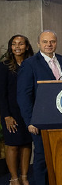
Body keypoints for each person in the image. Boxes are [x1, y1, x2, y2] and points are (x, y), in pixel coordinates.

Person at [17, 30, 62, 185]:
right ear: (38, 44)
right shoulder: (29, 64)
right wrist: (30, 121)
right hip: (40, 120)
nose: (49, 44)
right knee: (42, 157)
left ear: (56, 43)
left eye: (52, 41)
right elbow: (23, 96)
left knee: (61, 155)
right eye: (45, 41)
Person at [1, 35, 33, 185]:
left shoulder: (31, 63)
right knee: (13, 145)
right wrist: (6, 115)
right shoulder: (4, 65)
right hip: (11, 112)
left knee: (26, 144)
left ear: (27, 46)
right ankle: (14, 178)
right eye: (14, 44)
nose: (17, 46)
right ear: (10, 47)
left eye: (21, 44)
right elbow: (1, 93)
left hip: (27, 111)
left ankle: (25, 176)